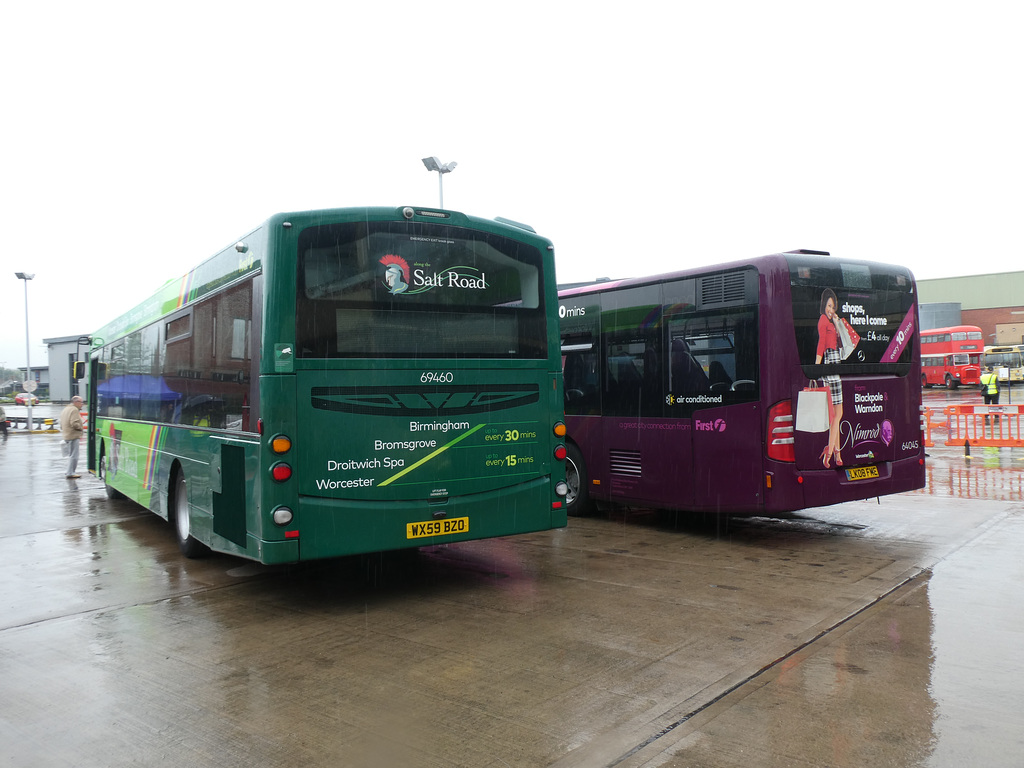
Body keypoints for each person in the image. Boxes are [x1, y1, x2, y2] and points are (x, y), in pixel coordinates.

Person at [815, 288, 845, 468]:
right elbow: (821, 344)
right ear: (823, 305)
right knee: (838, 414)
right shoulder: (822, 320)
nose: (831, 309)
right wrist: (816, 368)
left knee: (836, 415)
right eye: (828, 306)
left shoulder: (831, 321)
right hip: (829, 365)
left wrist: (837, 324)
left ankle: (837, 453)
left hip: (835, 365)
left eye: (833, 306)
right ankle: (830, 449)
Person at [60, 396, 86, 478]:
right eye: (81, 402)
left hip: (66, 434)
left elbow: (61, 423)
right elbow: (74, 423)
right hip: (73, 435)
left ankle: (69, 471)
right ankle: (71, 472)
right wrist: (81, 428)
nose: (82, 404)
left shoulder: (66, 409)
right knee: (74, 455)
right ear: (76, 402)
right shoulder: (74, 410)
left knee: (71, 454)